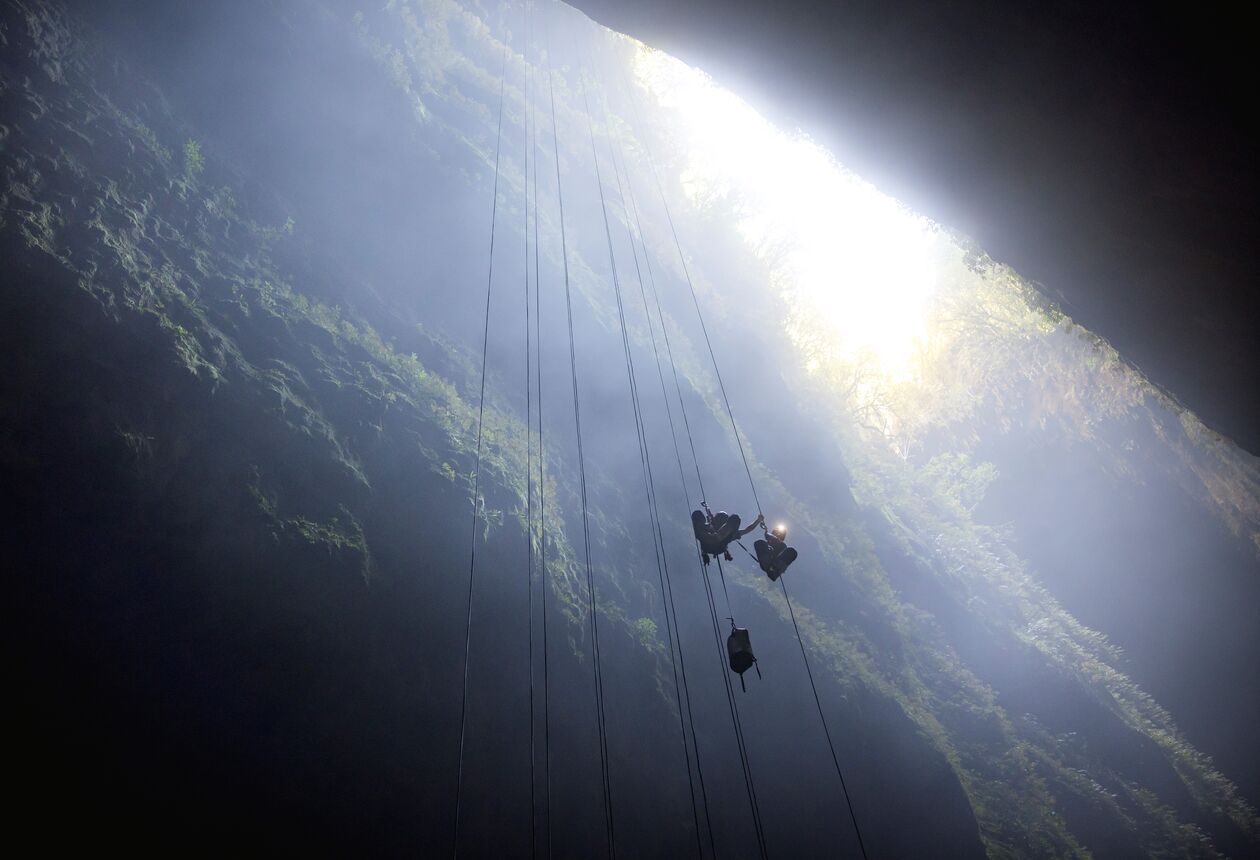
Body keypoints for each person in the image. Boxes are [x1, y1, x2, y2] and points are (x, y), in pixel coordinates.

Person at [692, 508, 764, 565]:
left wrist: (758, 520)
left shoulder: (712, 528)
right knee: (734, 519)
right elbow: (747, 530)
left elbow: (747, 530)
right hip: (713, 545)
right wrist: (758, 520)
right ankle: (716, 537)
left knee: (734, 520)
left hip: (711, 545)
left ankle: (716, 537)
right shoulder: (728, 533)